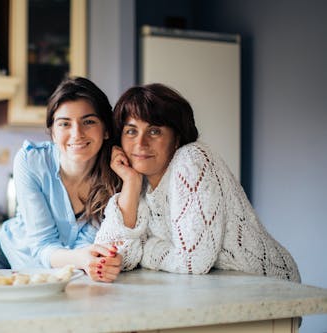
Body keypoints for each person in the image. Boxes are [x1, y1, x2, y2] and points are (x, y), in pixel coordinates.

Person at [95, 83, 300, 282]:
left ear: (176, 138)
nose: (140, 143)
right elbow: (109, 257)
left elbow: (194, 261)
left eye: (154, 131)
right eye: (131, 131)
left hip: (269, 283)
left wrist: (146, 249)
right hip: (222, 288)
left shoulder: (192, 159)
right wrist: (130, 183)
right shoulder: (140, 183)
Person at [0, 77, 122, 282]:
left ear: (106, 129)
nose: (77, 134)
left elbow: (92, 243)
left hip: (76, 270)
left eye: (88, 121)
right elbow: (42, 244)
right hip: (18, 261)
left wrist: (88, 259)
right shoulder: (31, 161)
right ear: (52, 132)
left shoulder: (117, 173)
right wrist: (82, 258)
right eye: (64, 124)